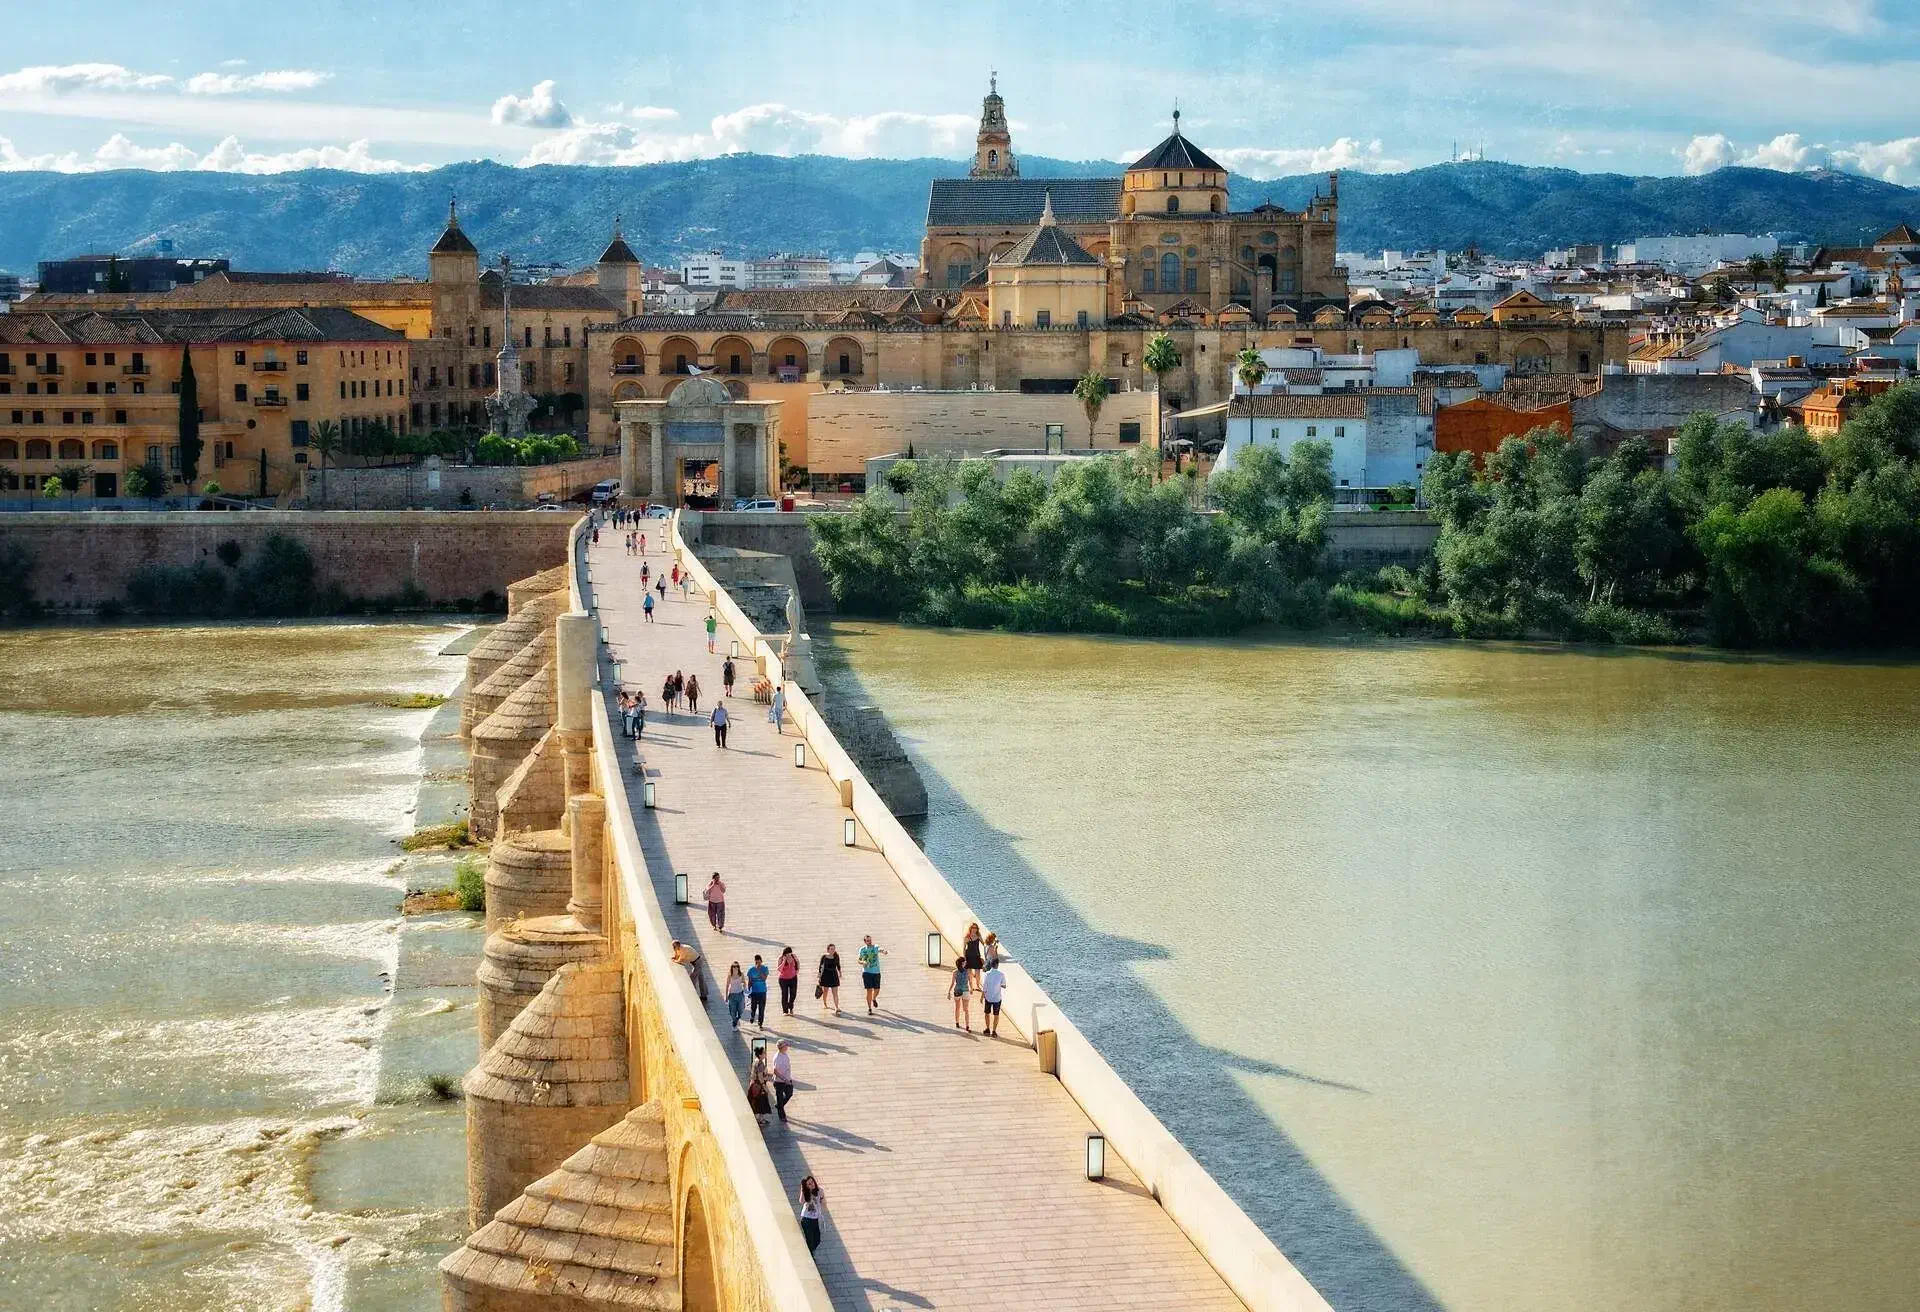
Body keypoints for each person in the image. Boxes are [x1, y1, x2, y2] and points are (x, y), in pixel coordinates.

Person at [857, 935, 885, 1015]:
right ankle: (869, 1008)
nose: (870, 942)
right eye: (868, 941)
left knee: (877, 989)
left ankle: (874, 998)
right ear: (865, 941)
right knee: (869, 991)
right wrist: (863, 962)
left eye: (870, 940)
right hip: (866, 972)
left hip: (876, 972)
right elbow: (859, 960)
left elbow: (879, 949)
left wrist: (883, 951)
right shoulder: (862, 949)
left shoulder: (875, 947)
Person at [797, 1177, 825, 1253]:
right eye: (809, 1184)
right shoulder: (806, 1193)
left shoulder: (820, 1191)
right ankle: (810, 1254)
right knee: (810, 1240)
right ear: (807, 1186)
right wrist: (803, 1190)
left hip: (815, 1219)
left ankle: (810, 1251)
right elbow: (801, 1201)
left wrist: (821, 1199)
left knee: (817, 1240)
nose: (812, 1184)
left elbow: (823, 1203)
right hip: (806, 1219)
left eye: (812, 1182)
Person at [981, 957, 1006, 1037]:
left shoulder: (987, 974)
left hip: (988, 997)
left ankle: (987, 1028)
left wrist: (982, 997)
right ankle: (994, 1031)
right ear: (997, 965)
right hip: (997, 998)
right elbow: (1004, 985)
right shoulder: (1001, 974)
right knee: (996, 1015)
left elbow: (984, 987)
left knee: (987, 1013)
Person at [771, 1040, 795, 1124]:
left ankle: (779, 1105)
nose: (787, 1046)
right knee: (780, 1098)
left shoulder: (784, 1054)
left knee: (789, 1093)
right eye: (785, 1045)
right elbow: (775, 1071)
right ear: (781, 1047)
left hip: (787, 1079)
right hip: (779, 1082)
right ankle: (782, 1116)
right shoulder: (778, 1058)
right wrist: (785, 1080)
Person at [816, 943, 842, 1017]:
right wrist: (819, 975)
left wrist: (840, 973)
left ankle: (836, 1007)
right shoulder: (824, 957)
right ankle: (825, 1003)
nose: (833, 950)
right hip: (825, 976)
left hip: (834, 975)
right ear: (828, 950)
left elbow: (838, 965)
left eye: (834, 949)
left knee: (835, 993)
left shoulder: (836, 956)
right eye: (831, 949)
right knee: (825, 992)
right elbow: (820, 966)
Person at [745, 954, 770, 1027]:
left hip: (762, 992)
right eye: (757, 962)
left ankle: (760, 1023)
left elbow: (764, 978)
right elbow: (750, 981)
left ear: (761, 961)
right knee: (753, 1007)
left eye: (759, 962)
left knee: (762, 1009)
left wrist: (760, 971)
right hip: (754, 992)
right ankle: (752, 1016)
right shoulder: (751, 970)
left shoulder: (765, 968)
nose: (758, 964)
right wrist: (749, 991)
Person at [776, 946, 800, 1016]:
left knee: (793, 994)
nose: (789, 955)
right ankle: (785, 1011)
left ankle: (790, 1007)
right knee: (785, 994)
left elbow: (798, 962)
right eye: (787, 954)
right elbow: (779, 969)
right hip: (783, 979)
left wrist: (797, 971)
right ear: (785, 954)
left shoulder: (794, 956)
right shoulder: (781, 958)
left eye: (790, 954)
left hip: (793, 978)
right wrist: (784, 961)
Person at [963, 922, 985, 995]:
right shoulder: (967, 937)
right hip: (969, 956)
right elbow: (964, 948)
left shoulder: (978, 936)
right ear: (970, 928)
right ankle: (971, 987)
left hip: (977, 956)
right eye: (973, 928)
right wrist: (965, 959)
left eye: (975, 928)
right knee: (969, 973)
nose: (974, 929)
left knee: (978, 973)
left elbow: (984, 944)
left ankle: (978, 986)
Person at [723, 962, 747, 1030]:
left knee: (741, 1010)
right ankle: (734, 1024)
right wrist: (726, 996)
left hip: (740, 994)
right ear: (732, 967)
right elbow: (727, 986)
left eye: (737, 966)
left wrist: (744, 986)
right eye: (734, 966)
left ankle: (737, 1019)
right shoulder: (729, 976)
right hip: (732, 995)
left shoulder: (741, 974)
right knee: (732, 1011)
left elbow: (744, 982)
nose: (736, 968)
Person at [951, 955, 972, 1031]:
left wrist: (949, 991)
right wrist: (971, 989)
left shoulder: (955, 972)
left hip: (957, 991)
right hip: (966, 991)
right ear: (963, 963)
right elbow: (970, 981)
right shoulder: (968, 971)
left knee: (957, 1008)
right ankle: (967, 1025)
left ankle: (957, 1022)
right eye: (965, 961)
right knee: (966, 1009)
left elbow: (953, 983)